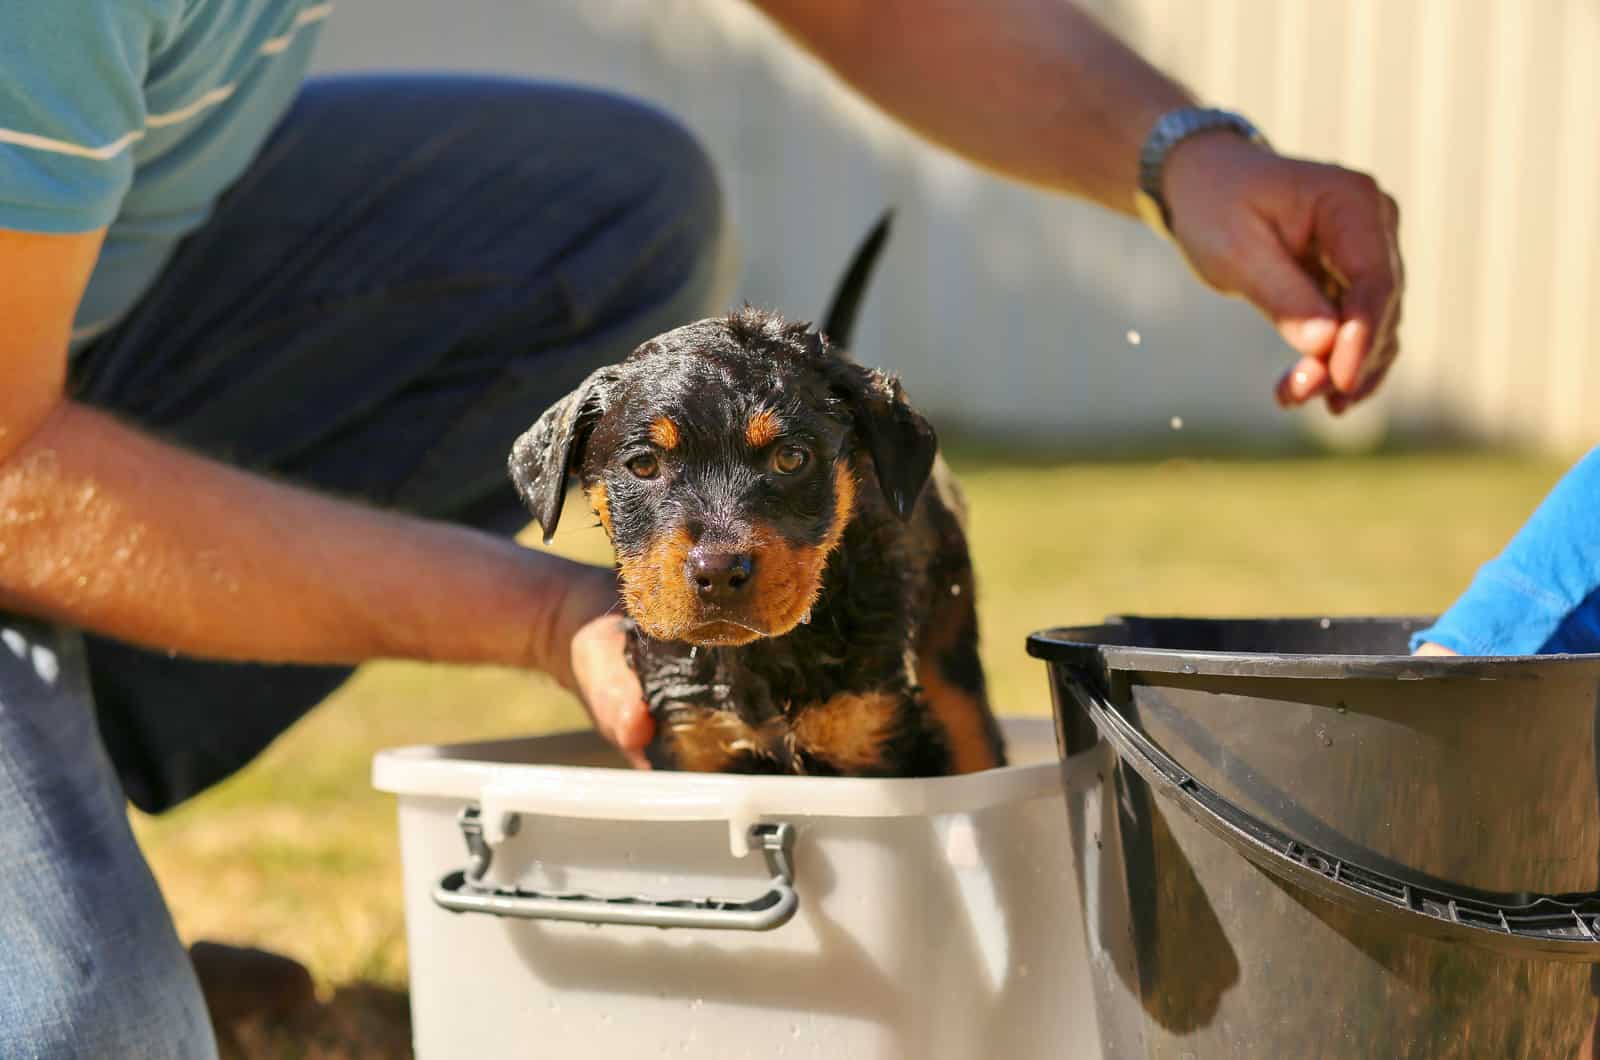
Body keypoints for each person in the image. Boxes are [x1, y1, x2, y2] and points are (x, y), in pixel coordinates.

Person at [0, 0, 1403, 1053]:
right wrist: (547, 612)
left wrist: (1186, 158)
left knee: (612, 207)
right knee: (89, 1037)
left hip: (72, 315)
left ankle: (67, 775)